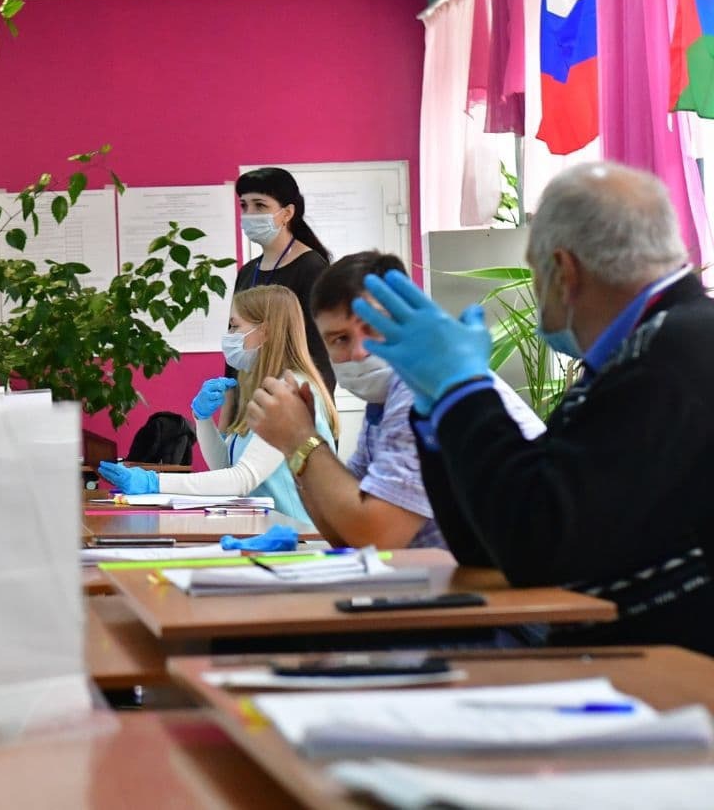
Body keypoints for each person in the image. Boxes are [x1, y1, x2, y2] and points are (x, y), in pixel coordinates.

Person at [255, 162, 714, 653]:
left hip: (661, 663)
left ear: (563, 271)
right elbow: (486, 544)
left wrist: (463, 391)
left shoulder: (670, 353)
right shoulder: (652, 347)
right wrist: (437, 411)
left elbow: (535, 541)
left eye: (535, 272)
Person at [249, 251, 542, 550]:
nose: (360, 352)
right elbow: (342, 531)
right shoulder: (382, 403)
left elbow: (377, 536)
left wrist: (301, 437)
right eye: (340, 339)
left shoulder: (419, 391)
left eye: (373, 327)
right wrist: (294, 448)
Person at [99, 285, 337, 526]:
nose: (229, 335)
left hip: (299, 536)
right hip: (268, 530)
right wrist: (202, 418)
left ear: (265, 331)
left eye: (235, 326)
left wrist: (154, 482)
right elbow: (223, 465)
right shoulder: (263, 388)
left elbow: (243, 478)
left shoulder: (291, 390)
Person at [224, 168, 336, 400]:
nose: (249, 214)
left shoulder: (312, 268)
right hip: (249, 401)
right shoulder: (248, 271)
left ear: (287, 213)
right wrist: (229, 406)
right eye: (244, 205)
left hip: (291, 404)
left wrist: (305, 409)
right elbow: (235, 343)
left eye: (260, 205)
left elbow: (320, 355)